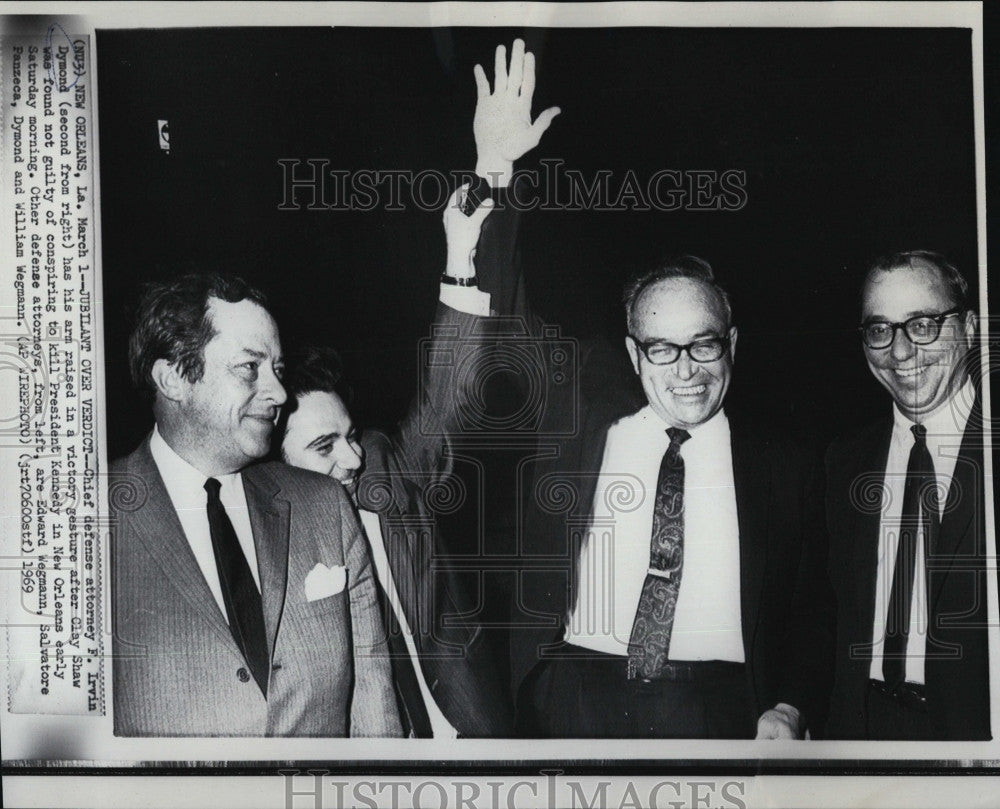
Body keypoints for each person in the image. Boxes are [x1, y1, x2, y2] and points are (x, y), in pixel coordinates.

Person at [276, 40, 559, 738]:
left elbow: (446, 394)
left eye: (347, 435)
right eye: (323, 446)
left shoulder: (384, 477)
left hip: (468, 740)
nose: (351, 458)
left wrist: (485, 189)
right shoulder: (256, 536)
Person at [109, 273, 401, 737]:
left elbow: (374, 710)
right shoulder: (82, 520)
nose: (280, 394)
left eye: (278, 370)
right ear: (173, 379)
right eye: (250, 368)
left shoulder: (324, 507)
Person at [824, 250, 990, 740]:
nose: (900, 352)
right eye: (880, 330)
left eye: (923, 324)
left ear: (971, 327)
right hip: (860, 736)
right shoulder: (844, 461)